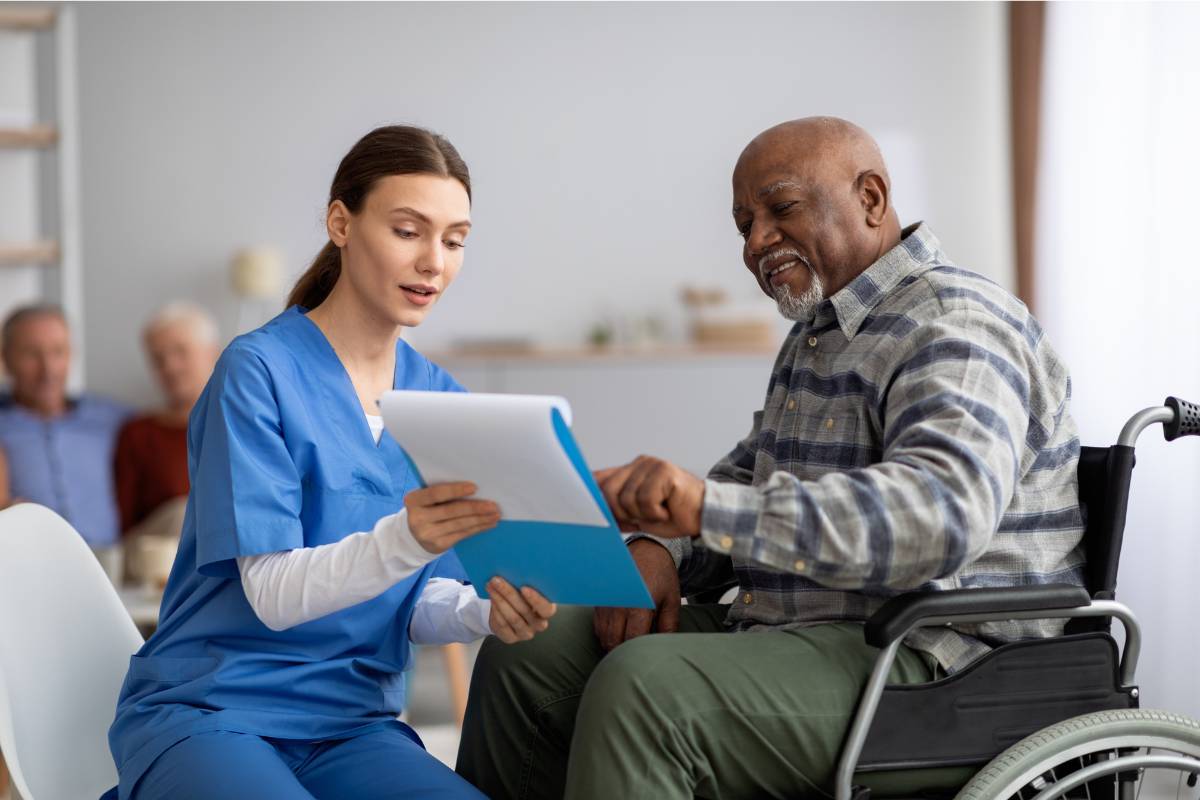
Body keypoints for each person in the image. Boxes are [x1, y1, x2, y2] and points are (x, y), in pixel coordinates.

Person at [456, 117, 1085, 800]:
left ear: (870, 198)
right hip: (803, 630)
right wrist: (667, 548)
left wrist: (702, 506)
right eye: (743, 224)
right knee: (531, 652)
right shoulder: (817, 334)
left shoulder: (956, 321)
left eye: (780, 209)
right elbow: (748, 482)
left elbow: (940, 516)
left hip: (940, 663)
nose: (757, 241)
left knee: (647, 690)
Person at [106, 125, 557, 800]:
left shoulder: (441, 400)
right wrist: (408, 537)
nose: (434, 261)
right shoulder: (257, 372)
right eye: (409, 231)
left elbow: (414, 599)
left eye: (455, 239)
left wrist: (485, 615)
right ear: (341, 223)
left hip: (350, 725)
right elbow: (275, 596)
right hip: (212, 711)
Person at [0, 305, 129, 546]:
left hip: (110, 560)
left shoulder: (108, 417)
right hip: (30, 558)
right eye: (31, 354)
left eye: (58, 352)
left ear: (71, 355)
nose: (48, 369)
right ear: (5, 358)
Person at [115, 303, 221, 584]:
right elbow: (124, 526)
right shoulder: (138, 433)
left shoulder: (243, 423)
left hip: (230, 555)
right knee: (183, 512)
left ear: (213, 352)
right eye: (158, 359)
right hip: (155, 561)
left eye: (180, 352)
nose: (169, 367)